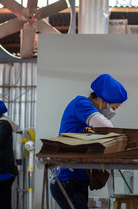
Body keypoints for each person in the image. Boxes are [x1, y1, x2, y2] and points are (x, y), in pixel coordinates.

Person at [50, 74, 128, 209]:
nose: (113, 112)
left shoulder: (86, 110)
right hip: (67, 179)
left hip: (77, 179)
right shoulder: (81, 104)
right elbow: (106, 127)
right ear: (103, 100)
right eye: (113, 108)